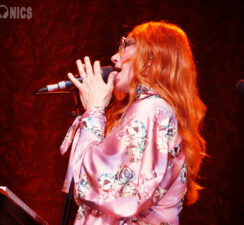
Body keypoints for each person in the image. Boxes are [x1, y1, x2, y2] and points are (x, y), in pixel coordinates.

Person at [60, 21, 206, 225]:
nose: (114, 57)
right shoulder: (152, 110)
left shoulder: (152, 109)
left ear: (151, 58)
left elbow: (113, 190)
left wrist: (94, 112)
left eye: (127, 45)